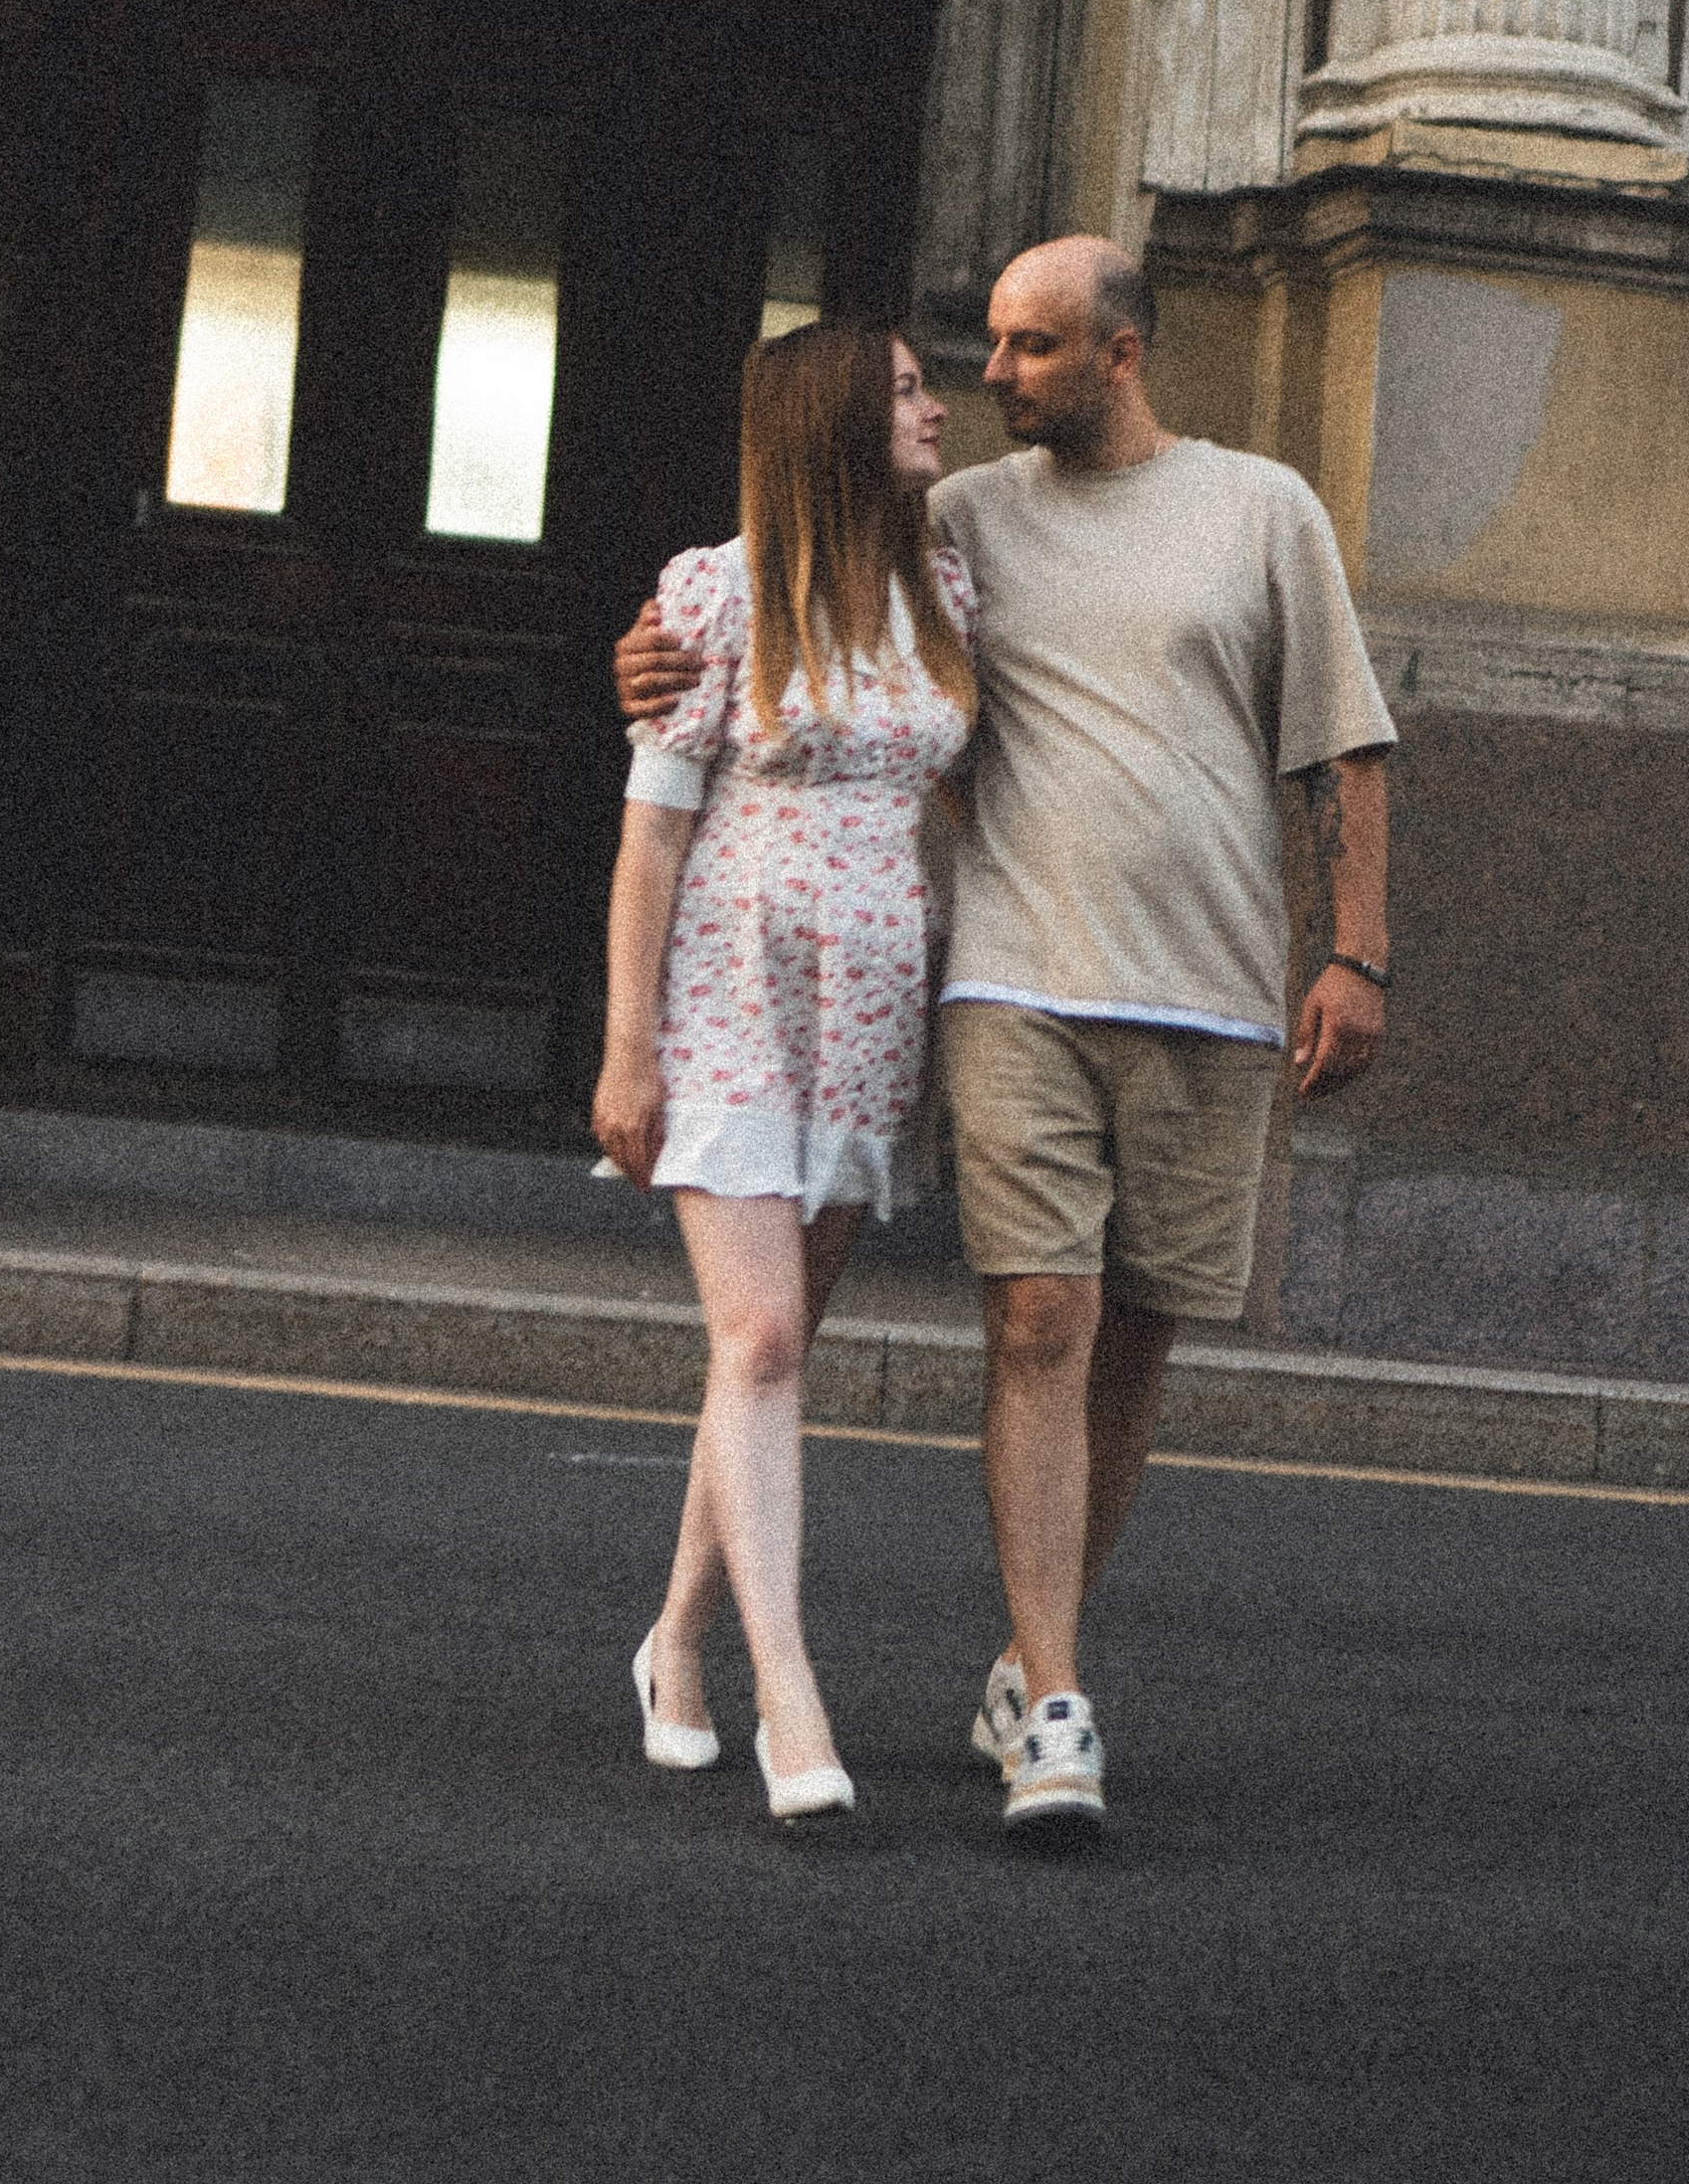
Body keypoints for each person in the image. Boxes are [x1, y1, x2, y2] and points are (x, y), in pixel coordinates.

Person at [615, 236, 1394, 1837]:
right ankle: (982, 1699)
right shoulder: (933, 532)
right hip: (950, 983)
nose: (988, 381)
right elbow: (722, 694)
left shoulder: (1239, 513)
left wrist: (1357, 953)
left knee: (1113, 1341)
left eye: (1029, 349)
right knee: (1003, 1320)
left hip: (1143, 993)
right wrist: (645, 667)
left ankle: (776, 1644)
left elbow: (1346, 748)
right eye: (967, 360)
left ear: (1118, 353)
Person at [594, 320, 979, 1824]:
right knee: (756, 1336)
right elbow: (654, 830)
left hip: (875, 994)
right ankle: (790, 1693)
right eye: (903, 391)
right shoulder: (717, 588)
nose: (937, 407)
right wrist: (629, 1048)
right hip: (732, 982)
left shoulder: (941, 586)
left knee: (769, 1352)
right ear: (829, 418)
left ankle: (674, 1641)